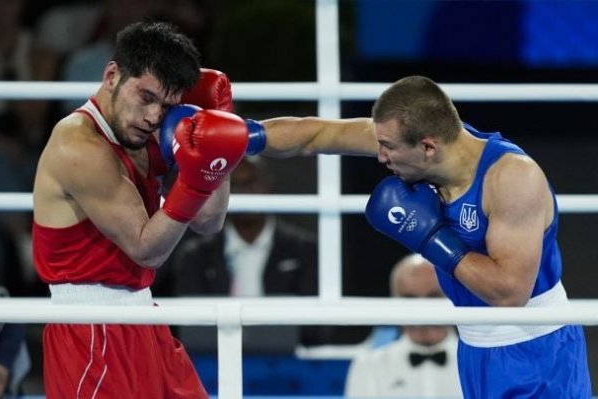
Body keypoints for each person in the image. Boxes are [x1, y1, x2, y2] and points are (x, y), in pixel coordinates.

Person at [255, 75, 591, 397]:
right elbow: (316, 134)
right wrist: (240, 136)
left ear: (428, 146)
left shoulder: (512, 178)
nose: (381, 157)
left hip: (536, 352)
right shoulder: (417, 140)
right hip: (475, 346)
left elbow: (509, 294)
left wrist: (432, 238)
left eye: (387, 148)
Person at [32, 21, 255, 398]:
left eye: (166, 106)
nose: (154, 116)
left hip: (144, 317)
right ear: (112, 75)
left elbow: (208, 220)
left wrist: (219, 143)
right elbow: (146, 248)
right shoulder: (78, 145)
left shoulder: (146, 133)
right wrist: (197, 181)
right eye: (146, 97)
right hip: (91, 330)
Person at [169, 156, 318, 298]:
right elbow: (191, 320)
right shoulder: (195, 255)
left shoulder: (304, 249)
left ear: (268, 184)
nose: (244, 191)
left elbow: (315, 319)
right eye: (235, 185)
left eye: (251, 182)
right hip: (222, 324)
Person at [344, 254, 460, 398]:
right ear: (395, 303)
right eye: (410, 299)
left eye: (433, 297)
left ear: (451, 297)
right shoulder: (368, 366)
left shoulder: (478, 364)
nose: (421, 309)